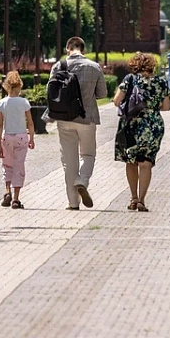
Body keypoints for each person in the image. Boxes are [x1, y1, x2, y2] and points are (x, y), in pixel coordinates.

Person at [45, 36, 107, 209]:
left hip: (64, 118)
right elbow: (102, 94)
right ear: (83, 49)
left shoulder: (58, 66)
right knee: (88, 155)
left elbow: (50, 92)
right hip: (87, 118)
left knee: (69, 161)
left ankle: (73, 203)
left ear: (68, 49)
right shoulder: (94, 67)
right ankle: (83, 181)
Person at [112, 52, 170, 212]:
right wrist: (151, 107)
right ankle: (142, 200)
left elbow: (117, 101)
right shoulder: (161, 82)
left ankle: (133, 197)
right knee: (145, 164)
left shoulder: (130, 79)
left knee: (131, 161)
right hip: (153, 125)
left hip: (131, 124)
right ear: (152, 65)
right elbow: (166, 107)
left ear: (134, 65)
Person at [0, 71, 35, 209]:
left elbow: (0, 125)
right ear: (19, 86)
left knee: (7, 165)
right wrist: (32, 138)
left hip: (7, 137)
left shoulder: (1, 103)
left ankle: (7, 191)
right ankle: (16, 199)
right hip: (21, 137)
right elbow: (30, 123)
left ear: (7, 86)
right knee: (19, 166)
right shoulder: (24, 102)